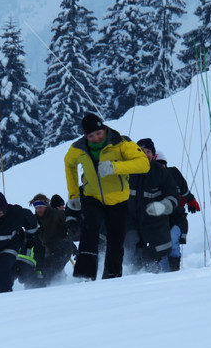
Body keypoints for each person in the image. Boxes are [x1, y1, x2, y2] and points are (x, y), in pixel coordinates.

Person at [64, 112, 150, 279]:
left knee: (116, 240)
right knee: (90, 229)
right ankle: (85, 274)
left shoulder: (121, 142)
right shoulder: (78, 148)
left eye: (98, 133)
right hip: (92, 196)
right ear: (85, 135)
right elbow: (69, 164)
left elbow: (143, 164)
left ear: (104, 129)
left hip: (118, 198)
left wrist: (114, 167)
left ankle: (112, 275)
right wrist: (74, 195)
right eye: (91, 136)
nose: (96, 138)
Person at [123, 139, 179, 273]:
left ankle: (152, 280)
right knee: (131, 253)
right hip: (131, 223)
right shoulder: (127, 170)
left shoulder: (160, 172)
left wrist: (163, 206)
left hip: (154, 226)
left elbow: (173, 195)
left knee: (151, 262)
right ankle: (130, 278)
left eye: (148, 151)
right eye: (141, 151)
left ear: (153, 154)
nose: (145, 154)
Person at [137, 141, 191, 271]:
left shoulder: (171, 176)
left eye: (163, 164)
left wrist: (190, 200)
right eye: (159, 164)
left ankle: (174, 270)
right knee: (160, 248)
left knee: (172, 240)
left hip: (176, 219)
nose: (161, 167)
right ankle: (165, 273)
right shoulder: (149, 180)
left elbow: (183, 190)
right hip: (160, 222)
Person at [29, 193, 73, 284]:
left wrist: (71, 243)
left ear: (46, 206)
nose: (38, 210)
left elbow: (70, 230)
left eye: (40, 207)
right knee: (45, 272)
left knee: (49, 272)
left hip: (63, 249)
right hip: (49, 252)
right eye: (36, 208)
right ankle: (63, 283)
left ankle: (56, 288)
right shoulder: (35, 219)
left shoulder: (58, 215)